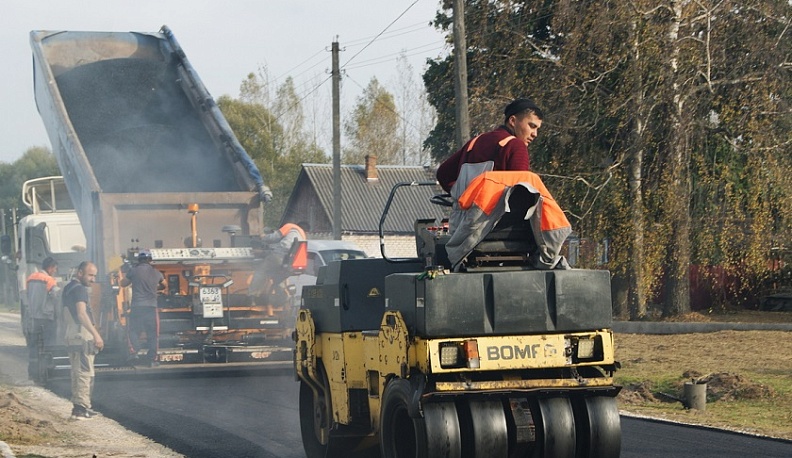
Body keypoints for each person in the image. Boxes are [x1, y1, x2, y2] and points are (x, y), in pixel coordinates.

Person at [436, 98, 544, 193]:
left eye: (537, 129)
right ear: (512, 121)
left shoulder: (475, 142)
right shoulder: (515, 145)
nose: (535, 134)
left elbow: (443, 173)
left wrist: (461, 195)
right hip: (497, 210)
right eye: (532, 126)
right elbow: (521, 192)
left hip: (462, 210)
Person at [62, 261, 103, 420]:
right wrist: (96, 335)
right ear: (80, 273)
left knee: (77, 371)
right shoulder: (80, 290)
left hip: (72, 334)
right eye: (90, 275)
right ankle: (80, 409)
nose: (93, 279)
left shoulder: (68, 288)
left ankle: (81, 405)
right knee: (84, 373)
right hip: (81, 335)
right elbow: (81, 313)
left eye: (94, 276)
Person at [120, 249, 165, 367]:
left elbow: (123, 283)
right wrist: (155, 287)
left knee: (133, 330)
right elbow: (164, 285)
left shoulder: (133, 271)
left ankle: (134, 352)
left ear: (138, 260)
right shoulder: (156, 272)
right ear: (150, 260)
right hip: (151, 307)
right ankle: (152, 359)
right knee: (153, 334)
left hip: (137, 307)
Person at [25, 257, 60, 381]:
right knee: (48, 345)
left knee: (34, 346)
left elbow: (28, 294)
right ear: (50, 267)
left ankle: (32, 373)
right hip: (46, 318)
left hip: (33, 317)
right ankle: (47, 372)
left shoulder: (30, 278)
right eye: (55, 269)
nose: (55, 271)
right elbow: (56, 296)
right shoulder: (49, 280)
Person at [250, 223, 307, 297]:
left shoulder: (289, 226)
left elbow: (274, 238)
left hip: (279, 257)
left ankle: (251, 295)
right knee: (277, 278)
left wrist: (263, 237)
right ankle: (281, 298)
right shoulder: (301, 235)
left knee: (260, 272)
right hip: (289, 263)